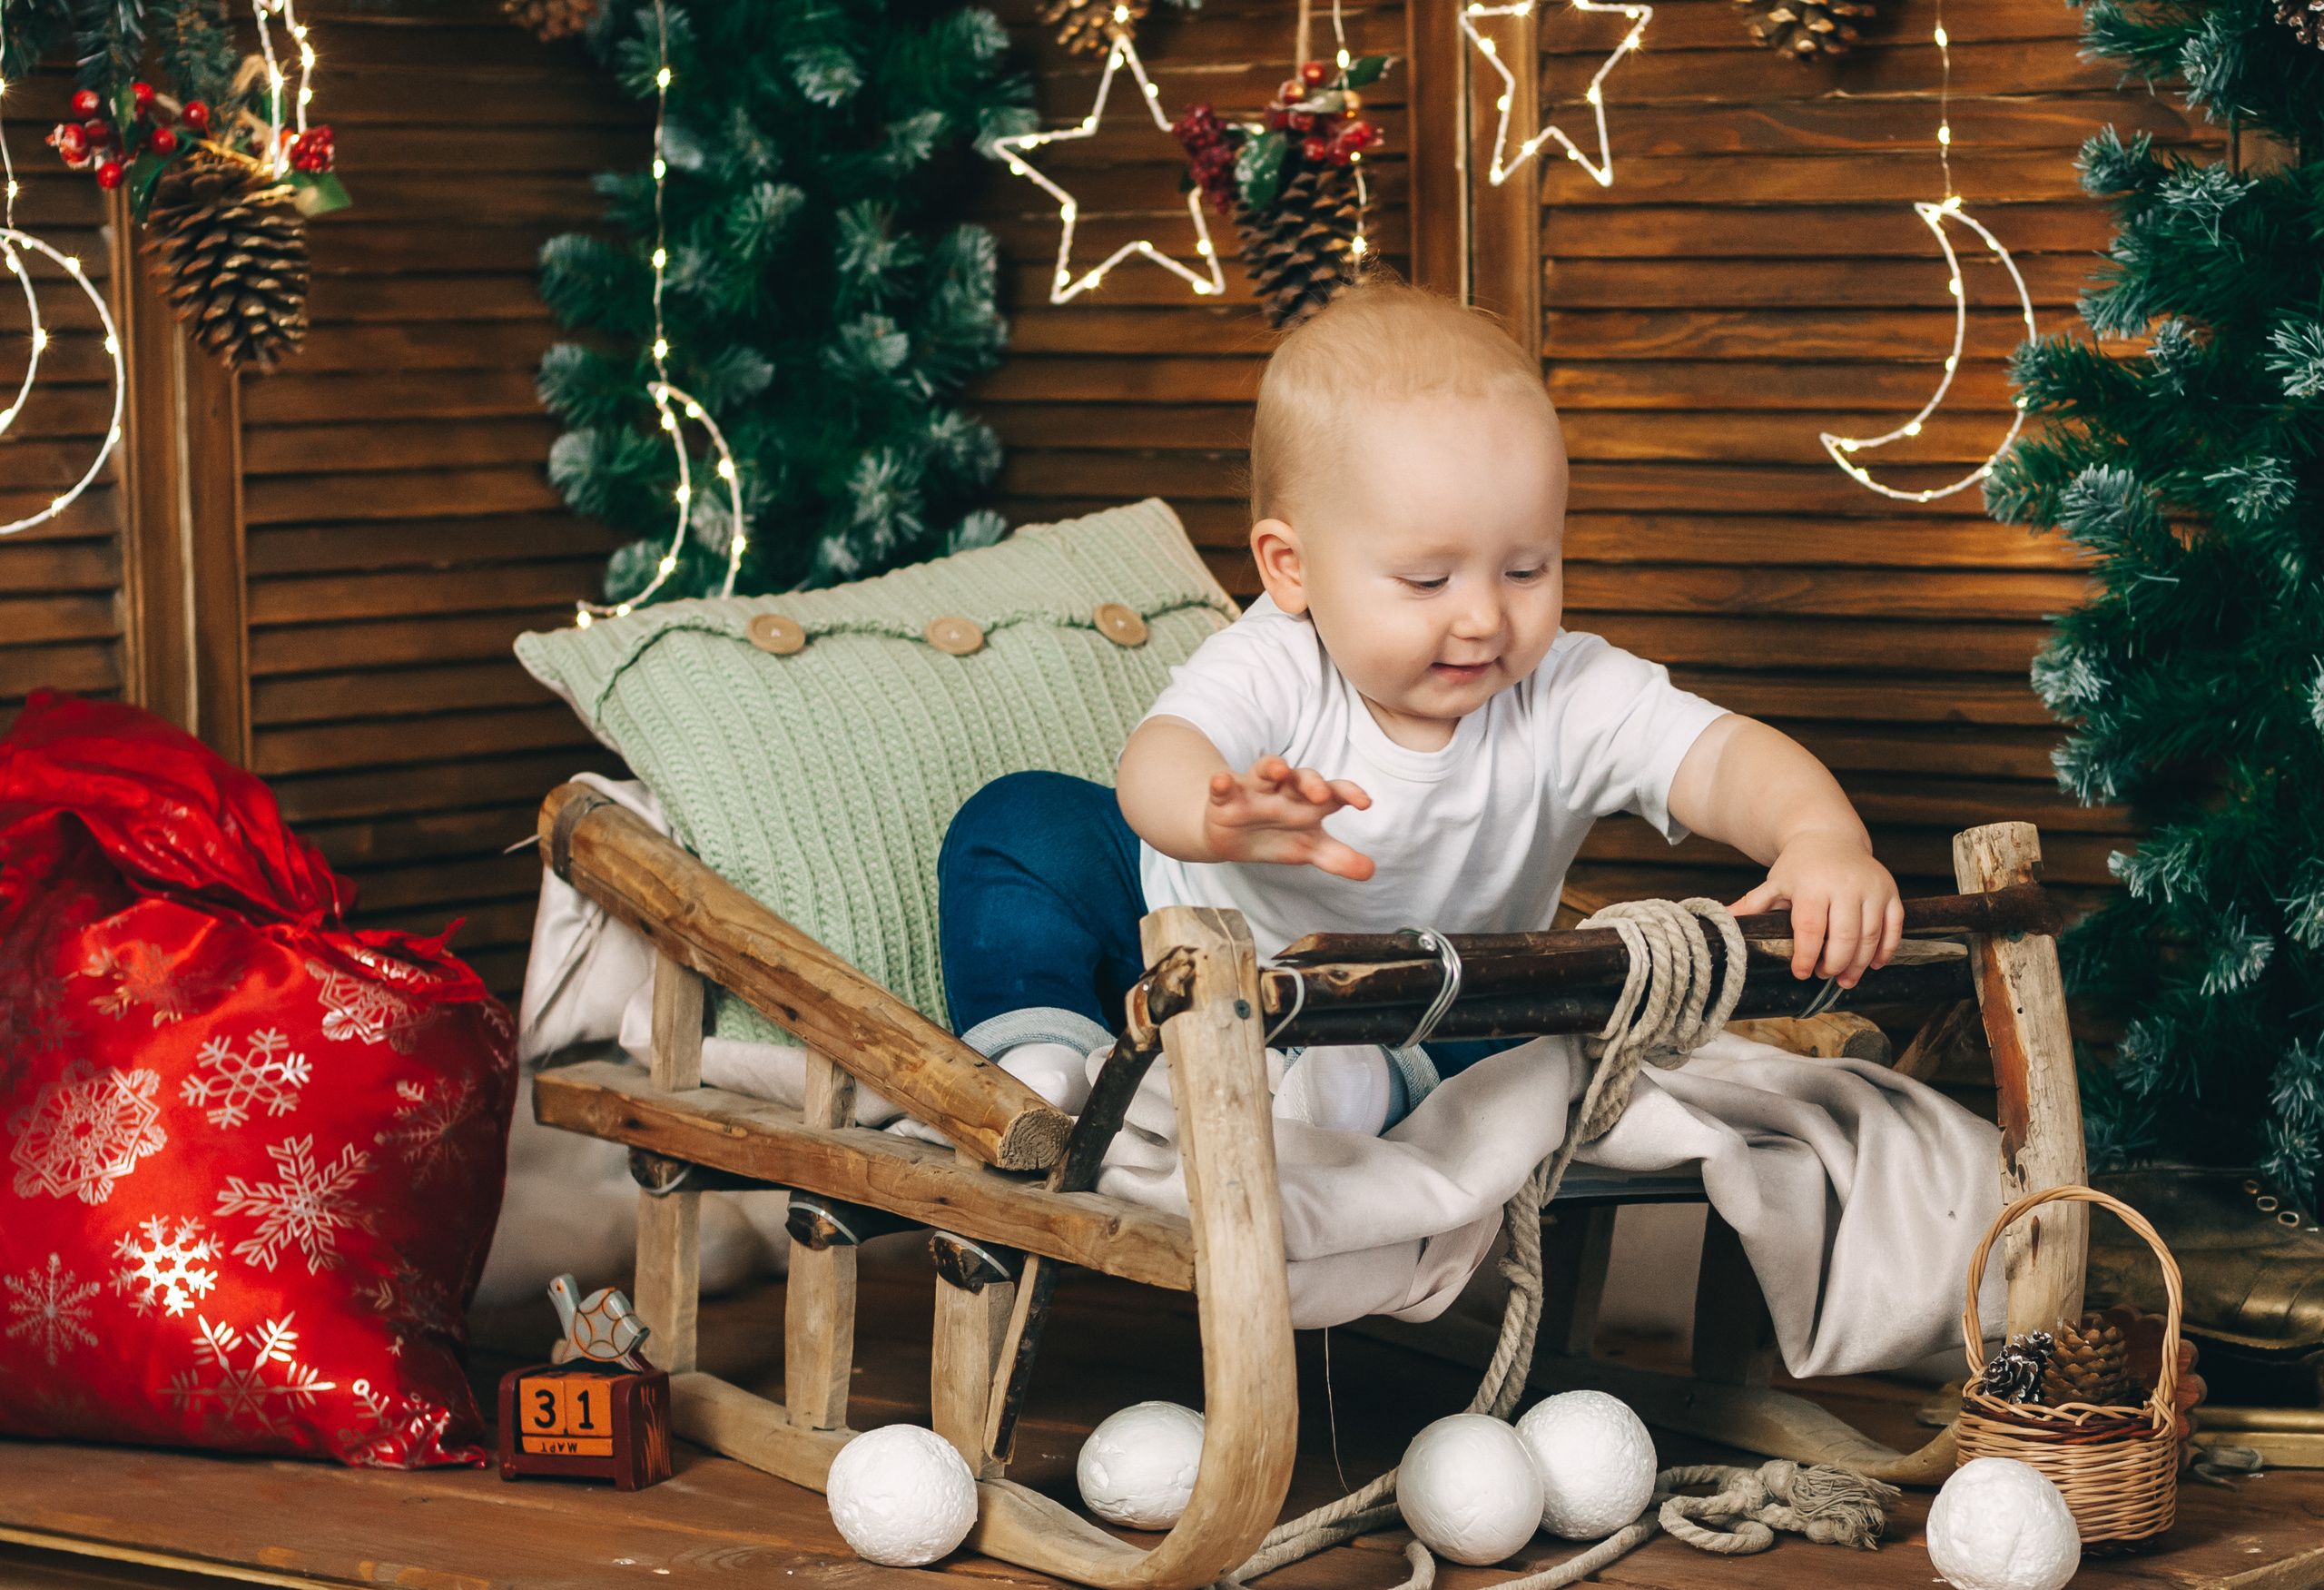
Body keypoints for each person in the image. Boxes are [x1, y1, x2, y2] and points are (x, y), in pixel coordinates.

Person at [936, 280, 1903, 1130]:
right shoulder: (1279, 660)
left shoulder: (1568, 690)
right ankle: (1040, 1054)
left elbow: (1725, 757)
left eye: (1527, 567)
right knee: (1021, 821)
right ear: (1292, 567)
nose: (1485, 616)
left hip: (1423, 1009)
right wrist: (1211, 811)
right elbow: (1157, 757)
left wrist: (1818, 835)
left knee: (1545, 1020)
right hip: (1169, 959)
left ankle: (1368, 1089)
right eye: (1427, 578)